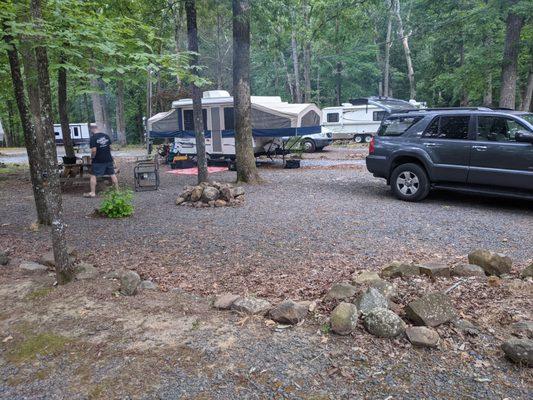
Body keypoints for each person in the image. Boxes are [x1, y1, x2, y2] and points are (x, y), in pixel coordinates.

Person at [84, 123, 118, 197]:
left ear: (92, 129)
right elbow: (110, 147)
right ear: (98, 128)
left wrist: (92, 158)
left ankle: (93, 193)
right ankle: (117, 191)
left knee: (93, 175)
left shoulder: (93, 138)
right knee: (112, 174)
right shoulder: (106, 136)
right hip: (108, 159)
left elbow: (94, 150)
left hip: (98, 160)